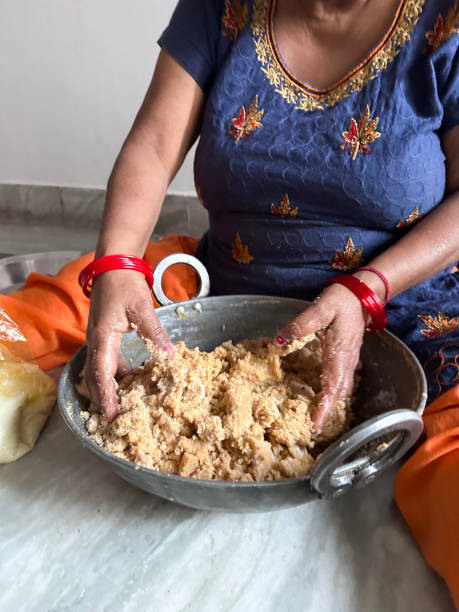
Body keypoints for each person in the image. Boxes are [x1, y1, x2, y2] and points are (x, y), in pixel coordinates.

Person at [0, 0, 457, 602]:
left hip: (399, 299)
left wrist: (365, 288)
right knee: (65, 302)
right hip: (225, 277)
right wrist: (116, 263)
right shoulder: (221, 9)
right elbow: (155, 144)